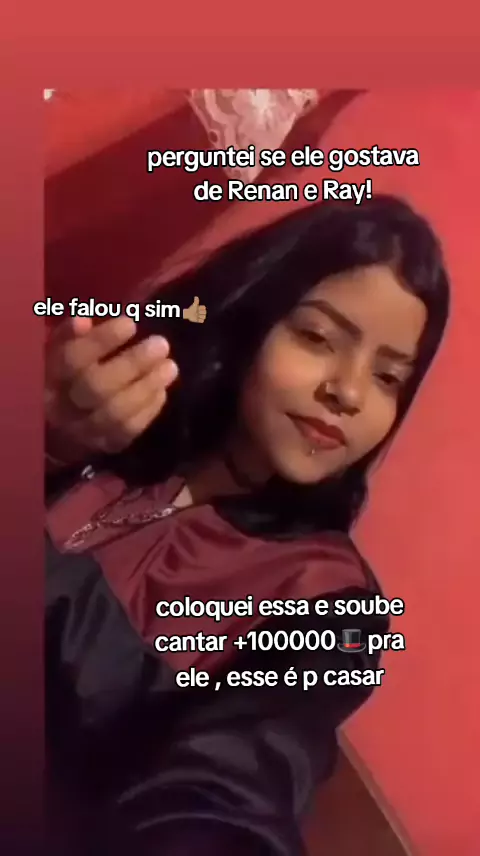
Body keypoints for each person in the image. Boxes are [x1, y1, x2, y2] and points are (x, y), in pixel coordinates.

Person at [45, 195, 450, 856]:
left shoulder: (331, 606)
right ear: (251, 319)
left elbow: (233, 786)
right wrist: (46, 444)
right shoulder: (106, 424)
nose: (349, 392)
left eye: (387, 377)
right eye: (318, 338)